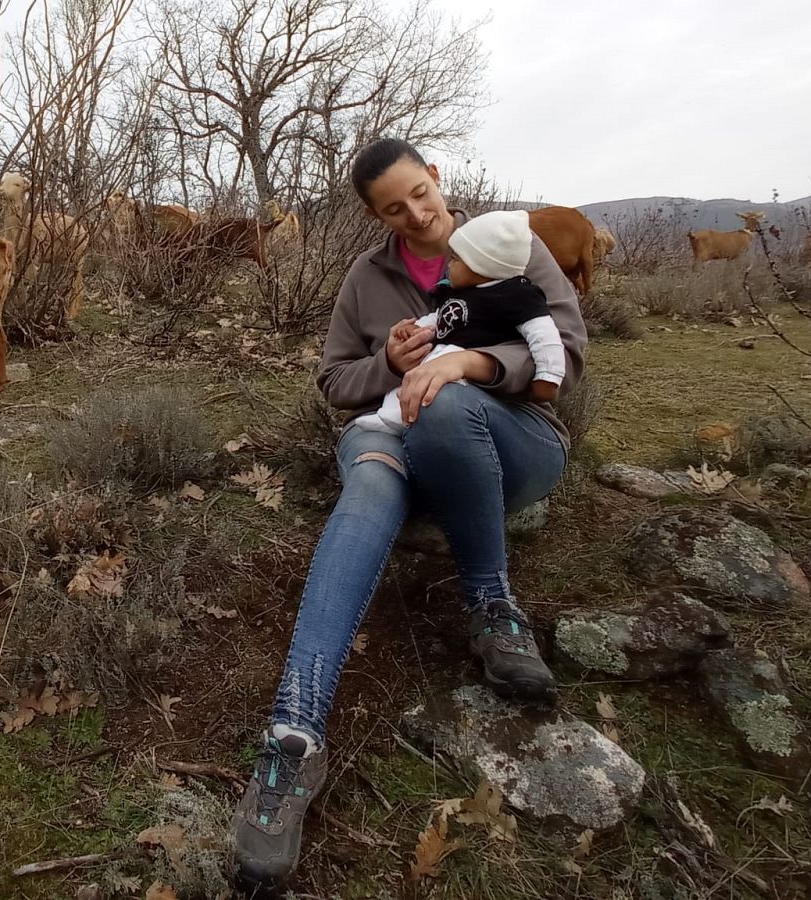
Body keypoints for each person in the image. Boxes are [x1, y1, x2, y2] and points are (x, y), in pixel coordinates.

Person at [230, 138, 587, 890]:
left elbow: (568, 356)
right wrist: (391, 364)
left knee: (449, 402)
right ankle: (293, 736)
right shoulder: (368, 278)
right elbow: (334, 380)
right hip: (392, 442)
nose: (417, 214)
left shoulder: (510, 243)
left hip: (510, 445)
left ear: (437, 177)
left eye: (421, 193)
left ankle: (492, 605)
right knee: (367, 479)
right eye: (395, 208)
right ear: (375, 215)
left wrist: (467, 364)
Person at [354, 208, 566, 435]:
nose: (449, 265)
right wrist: (416, 329)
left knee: (432, 392)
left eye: (455, 259)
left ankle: (398, 421)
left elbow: (544, 336)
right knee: (414, 380)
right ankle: (390, 417)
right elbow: (440, 318)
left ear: (482, 265)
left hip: (473, 380)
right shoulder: (458, 291)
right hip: (441, 358)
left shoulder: (516, 295)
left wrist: (548, 377)